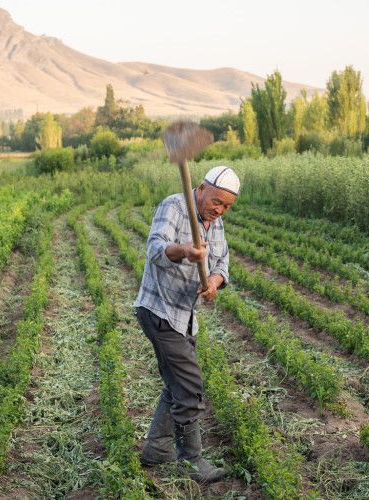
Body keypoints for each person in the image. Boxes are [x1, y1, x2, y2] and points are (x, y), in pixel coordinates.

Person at [133, 165, 240, 484]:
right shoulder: (175, 206)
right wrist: (184, 252)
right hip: (160, 310)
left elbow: (222, 262)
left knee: (176, 384)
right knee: (190, 387)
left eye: (227, 206)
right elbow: (154, 248)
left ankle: (157, 449)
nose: (219, 209)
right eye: (217, 201)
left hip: (185, 314)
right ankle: (191, 462)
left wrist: (214, 282)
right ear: (202, 187)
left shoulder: (215, 221)